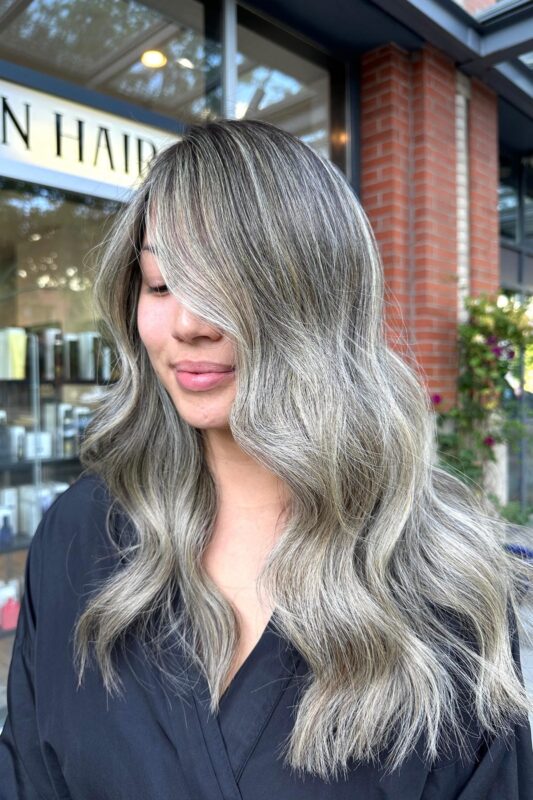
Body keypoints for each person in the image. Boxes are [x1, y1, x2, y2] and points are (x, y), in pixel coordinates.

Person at [1, 119, 532, 799]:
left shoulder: (444, 592)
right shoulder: (78, 537)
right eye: (160, 284)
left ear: (317, 299)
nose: (189, 323)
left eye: (229, 284)